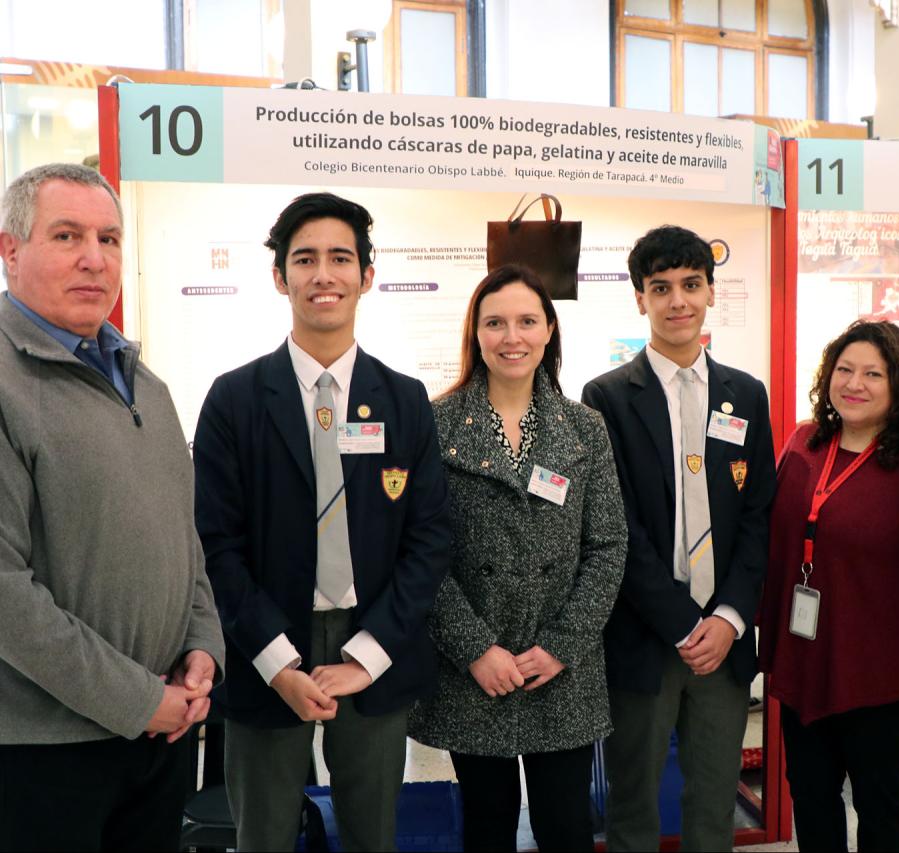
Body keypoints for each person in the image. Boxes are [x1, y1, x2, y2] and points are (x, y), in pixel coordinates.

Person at [193, 192, 452, 851]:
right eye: (304, 259)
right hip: (265, 646)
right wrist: (278, 662)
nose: (323, 274)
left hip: (374, 643)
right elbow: (215, 545)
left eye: (341, 258)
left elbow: (428, 539)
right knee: (264, 835)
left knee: (373, 833)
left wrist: (366, 657)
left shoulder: (404, 399)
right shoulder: (234, 399)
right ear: (280, 277)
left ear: (367, 275)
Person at [0, 162, 226, 850]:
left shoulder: (146, 386)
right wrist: (139, 700)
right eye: (67, 235)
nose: (94, 259)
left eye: (110, 238)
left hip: (158, 736)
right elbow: (5, 592)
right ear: (10, 249)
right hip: (44, 751)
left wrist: (202, 648)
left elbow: (183, 541)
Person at [407, 264, 627, 852]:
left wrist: (560, 646)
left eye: (528, 321)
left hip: (562, 666)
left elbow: (607, 546)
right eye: (496, 322)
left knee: (567, 827)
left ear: (549, 330)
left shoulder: (584, 428)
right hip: (474, 668)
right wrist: (475, 649)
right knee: (487, 824)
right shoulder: (435, 423)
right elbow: (422, 552)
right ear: (475, 334)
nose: (513, 337)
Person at [582, 225, 777, 852]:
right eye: (660, 288)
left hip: (723, 642)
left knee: (714, 800)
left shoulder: (744, 394)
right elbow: (616, 526)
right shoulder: (607, 398)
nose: (677, 302)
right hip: (646, 633)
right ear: (640, 298)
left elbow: (757, 519)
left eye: (691, 285)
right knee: (634, 805)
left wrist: (727, 617)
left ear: (710, 291)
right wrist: (681, 622)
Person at [758, 320, 899, 852]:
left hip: (880, 668)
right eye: (844, 370)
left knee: (877, 799)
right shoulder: (806, 442)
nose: (855, 383)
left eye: (873, 373)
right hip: (805, 654)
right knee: (809, 792)